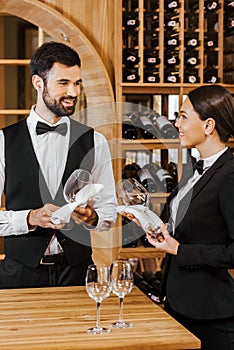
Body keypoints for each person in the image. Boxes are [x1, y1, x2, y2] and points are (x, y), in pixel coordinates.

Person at [0, 41, 117, 288]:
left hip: (78, 274)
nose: (73, 92)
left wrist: (91, 216)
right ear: (38, 83)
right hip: (20, 275)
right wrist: (30, 218)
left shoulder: (95, 141)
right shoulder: (3, 141)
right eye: (63, 83)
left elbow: (109, 214)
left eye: (77, 84)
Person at [125, 85, 234, 350]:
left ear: (208, 125)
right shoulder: (194, 171)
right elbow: (192, 226)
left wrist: (179, 250)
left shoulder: (230, 176)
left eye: (183, 116)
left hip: (211, 316)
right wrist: (155, 226)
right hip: (177, 305)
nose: (176, 123)